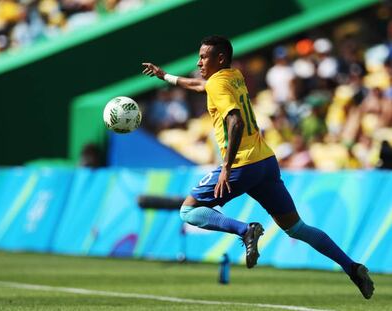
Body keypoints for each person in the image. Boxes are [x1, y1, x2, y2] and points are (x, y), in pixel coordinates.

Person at [142, 35, 374, 299]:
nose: (198, 62)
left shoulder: (218, 84)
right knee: (297, 228)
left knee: (188, 211)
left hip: (242, 163)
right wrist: (165, 76)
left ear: (219, 58)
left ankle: (245, 230)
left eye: (203, 57)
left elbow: (236, 121)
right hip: (266, 161)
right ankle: (352, 267)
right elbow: (200, 85)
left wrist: (227, 166)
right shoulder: (233, 76)